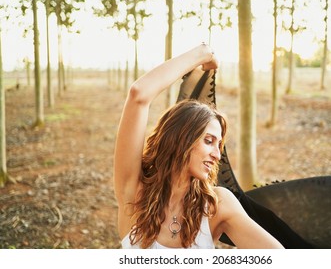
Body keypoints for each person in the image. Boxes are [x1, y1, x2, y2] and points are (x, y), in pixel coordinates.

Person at [114, 43, 284, 249]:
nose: (216, 155)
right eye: (209, 141)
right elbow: (139, 93)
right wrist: (202, 54)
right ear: (181, 138)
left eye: (219, 145)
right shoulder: (134, 192)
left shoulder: (217, 205)